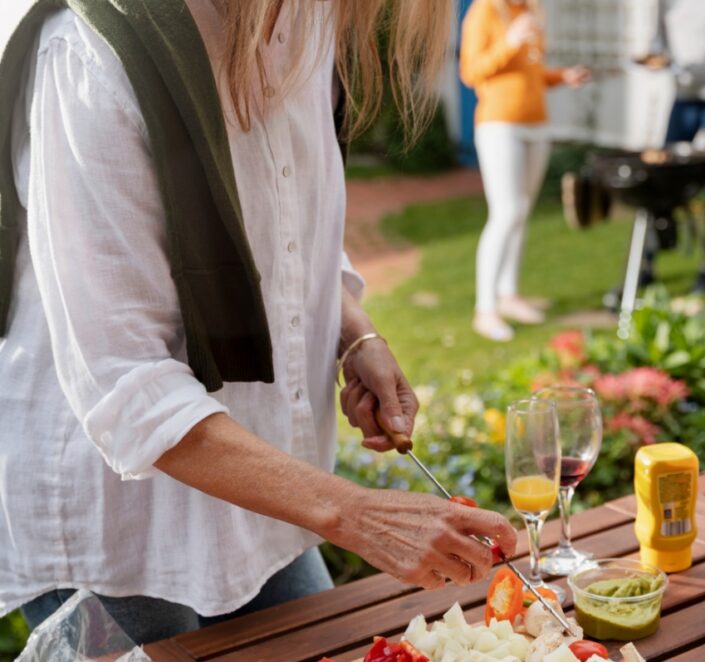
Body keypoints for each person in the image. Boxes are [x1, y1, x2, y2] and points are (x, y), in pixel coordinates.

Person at [0, 0, 516, 645]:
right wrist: (356, 513)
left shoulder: (310, 21)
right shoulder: (88, 49)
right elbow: (123, 380)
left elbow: (283, 226)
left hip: (264, 486)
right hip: (120, 522)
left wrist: (353, 330)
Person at [460, 0, 589, 342]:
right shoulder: (485, 11)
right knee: (506, 212)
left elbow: (530, 74)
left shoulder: (528, 11)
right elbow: (472, 72)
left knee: (521, 212)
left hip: (537, 126)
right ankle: (485, 309)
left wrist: (562, 76)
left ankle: (509, 295)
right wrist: (510, 42)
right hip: (500, 125)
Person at [639, 0, 705, 293]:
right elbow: (659, 44)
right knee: (661, 176)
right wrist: (655, 58)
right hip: (685, 96)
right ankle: (646, 262)